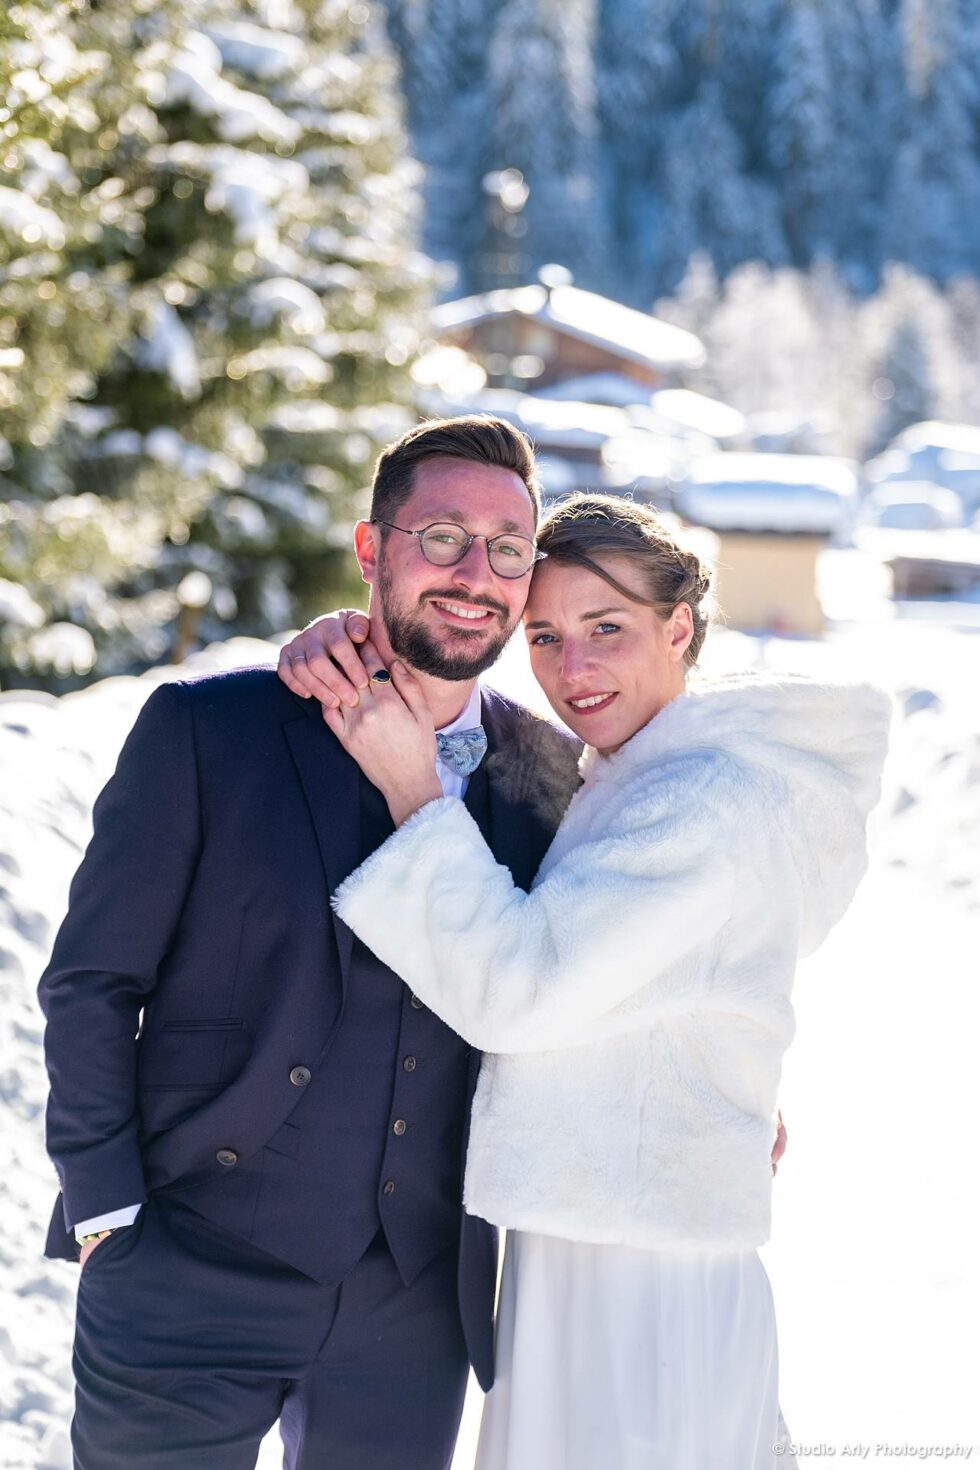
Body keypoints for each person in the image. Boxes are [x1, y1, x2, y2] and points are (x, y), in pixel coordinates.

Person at [277, 492, 891, 1470]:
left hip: (638, 1265)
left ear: (677, 629)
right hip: (597, 1228)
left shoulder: (700, 800)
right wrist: (349, 641)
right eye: (545, 637)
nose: (573, 669)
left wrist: (412, 791)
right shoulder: (638, 772)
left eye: (606, 628)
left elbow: (521, 990)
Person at [37, 415, 588, 1470]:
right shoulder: (211, 731)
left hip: (415, 1308)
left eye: (508, 549)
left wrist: (717, 1085)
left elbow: (589, 979)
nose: (476, 575)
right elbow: (92, 982)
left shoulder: (551, 781)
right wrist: (107, 1211)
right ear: (372, 549)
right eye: (442, 538)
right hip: (185, 1276)